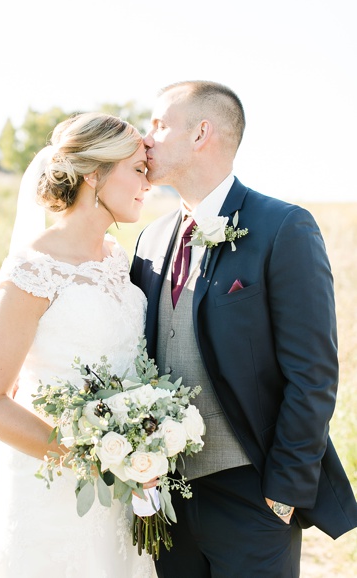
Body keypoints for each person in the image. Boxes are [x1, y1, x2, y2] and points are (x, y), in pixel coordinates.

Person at [130, 80, 357, 577]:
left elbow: (313, 373)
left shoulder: (284, 227)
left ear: (201, 133)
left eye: (160, 125)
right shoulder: (151, 237)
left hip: (253, 493)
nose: (144, 139)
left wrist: (284, 491)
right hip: (164, 495)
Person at [0, 112, 155, 577]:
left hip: (122, 483)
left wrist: (135, 449)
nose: (146, 183)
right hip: (52, 482)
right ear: (95, 174)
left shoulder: (118, 260)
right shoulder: (33, 270)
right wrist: (91, 460)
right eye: (137, 169)